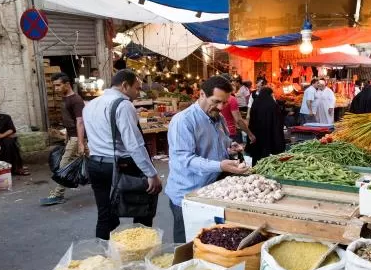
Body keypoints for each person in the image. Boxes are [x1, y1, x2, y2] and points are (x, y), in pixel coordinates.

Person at [166, 76, 249, 242]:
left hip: (211, 190)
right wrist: (220, 166)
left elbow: (222, 141)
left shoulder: (219, 118)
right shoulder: (184, 121)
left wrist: (231, 145)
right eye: (216, 101)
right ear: (202, 94)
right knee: (187, 245)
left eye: (225, 103)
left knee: (209, 241)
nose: (220, 107)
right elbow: (185, 159)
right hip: (187, 193)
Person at [83, 69, 162, 240]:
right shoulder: (123, 104)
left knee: (105, 215)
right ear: (125, 85)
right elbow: (134, 144)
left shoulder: (90, 105)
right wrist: (151, 174)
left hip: (95, 164)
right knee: (143, 209)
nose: (138, 92)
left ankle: (103, 255)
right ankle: (140, 250)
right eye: (136, 88)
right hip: (120, 165)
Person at [40, 73, 86, 205]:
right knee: (93, 161)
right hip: (72, 137)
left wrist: (80, 142)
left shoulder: (75, 100)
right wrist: (66, 136)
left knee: (64, 165)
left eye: (58, 85)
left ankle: (58, 194)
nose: (56, 88)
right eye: (54, 86)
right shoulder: (65, 98)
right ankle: (109, 182)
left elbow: (80, 122)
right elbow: (69, 121)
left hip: (77, 137)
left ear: (67, 84)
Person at [247, 87, 285, 166]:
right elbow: (277, 121)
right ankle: (268, 167)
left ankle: (256, 168)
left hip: (257, 133)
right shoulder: (272, 104)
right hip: (269, 133)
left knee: (257, 153)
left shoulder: (256, 102)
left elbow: (252, 118)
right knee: (268, 152)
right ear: (270, 94)